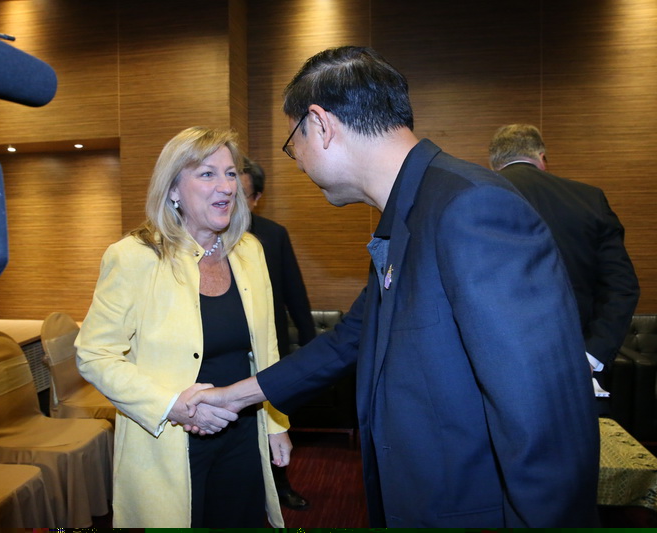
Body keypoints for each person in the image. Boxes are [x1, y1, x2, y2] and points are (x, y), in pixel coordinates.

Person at [186, 46, 600, 528]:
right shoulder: (407, 215)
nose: (297, 161)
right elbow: (349, 340)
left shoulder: (470, 207)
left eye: (293, 141)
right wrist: (235, 396)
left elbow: (542, 413)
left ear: (320, 124)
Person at [75, 127, 290, 528]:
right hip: (169, 440)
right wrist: (171, 404)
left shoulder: (249, 251)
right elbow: (93, 355)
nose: (226, 186)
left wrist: (276, 424)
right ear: (173, 189)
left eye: (230, 173)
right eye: (207, 174)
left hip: (244, 434)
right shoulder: (134, 257)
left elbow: (267, 348)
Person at [488, 124, 640, 403]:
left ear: (494, 162)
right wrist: (591, 356)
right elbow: (621, 286)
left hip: (491, 368)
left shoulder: (472, 195)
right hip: (575, 363)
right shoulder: (589, 199)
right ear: (542, 157)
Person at [240, 156, 316, 511]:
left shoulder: (273, 235)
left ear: (257, 198)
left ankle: (281, 484)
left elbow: (294, 291)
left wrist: (310, 344)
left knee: (276, 418)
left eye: (241, 194)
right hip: (227, 351)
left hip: (270, 348)